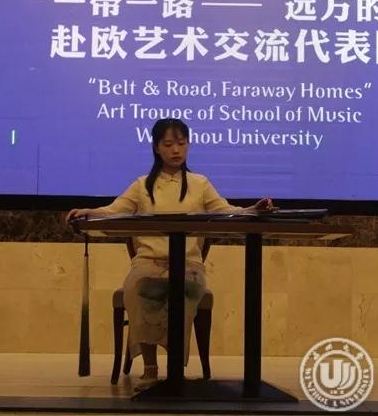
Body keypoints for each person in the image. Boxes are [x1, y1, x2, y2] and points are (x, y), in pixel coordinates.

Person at [66, 118, 275, 388]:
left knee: (181, 290)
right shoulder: (142, 185)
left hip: (188, 266)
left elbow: (226, 211)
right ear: (156, 147)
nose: (176, 150)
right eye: (168, 144)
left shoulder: (200, 183)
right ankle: (150, 368)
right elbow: (113, 211)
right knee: (138, 288)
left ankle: (175, 368)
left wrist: (253, 210)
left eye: (181, 143)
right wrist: (88, 212)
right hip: (148, 262)